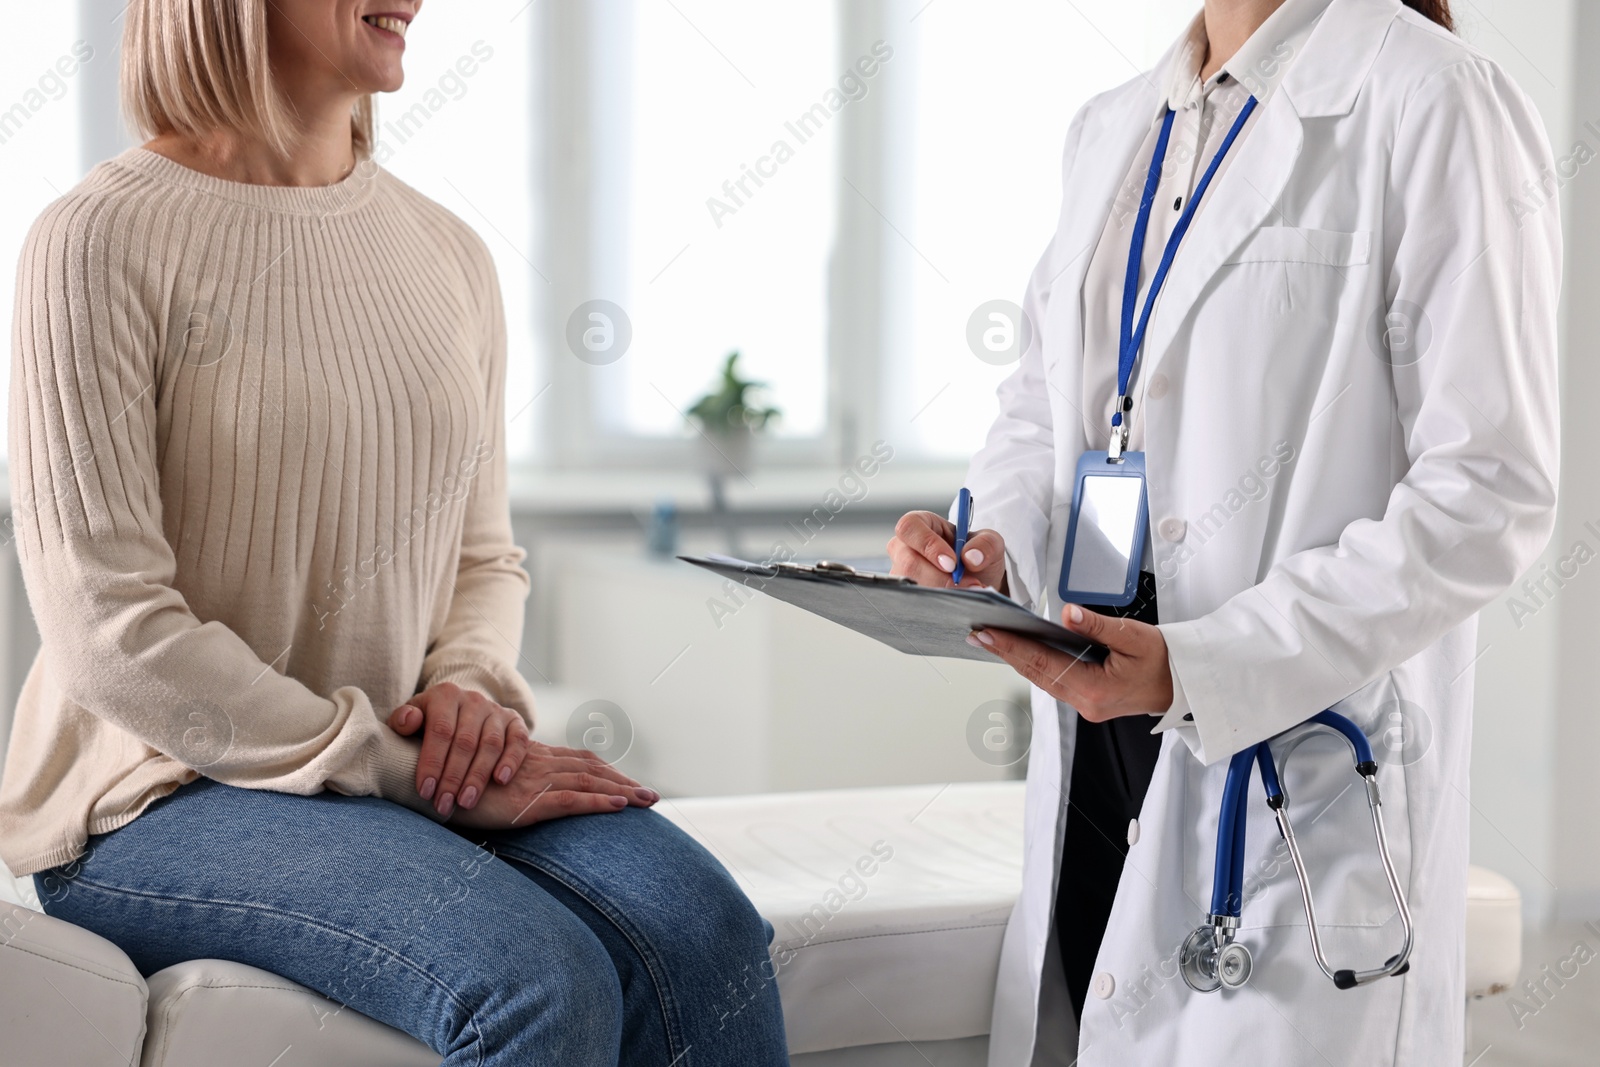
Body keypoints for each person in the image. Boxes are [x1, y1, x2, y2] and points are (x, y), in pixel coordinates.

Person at [0, 1, 790, 1063]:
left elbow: (482, 555)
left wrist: (468, 696)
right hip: (155, 793)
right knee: (537, 977)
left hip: (400, 765)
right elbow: (107, 626)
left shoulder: (448, 254)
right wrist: (395, 763)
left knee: (709, 929)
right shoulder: (93, 240)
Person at [887, 0, 1559, 1062]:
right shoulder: (1111, 125)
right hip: (1098, 713)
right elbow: (1037, 409)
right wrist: (988, 550)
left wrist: (1206, 663)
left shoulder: (1431, 99)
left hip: (1277, 736)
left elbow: (1488, 489)